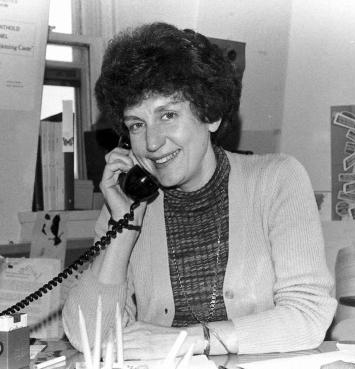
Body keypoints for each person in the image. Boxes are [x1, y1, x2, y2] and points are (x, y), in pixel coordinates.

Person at [62, 22, 337, 359]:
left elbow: (309, 316)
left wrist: (188, 341)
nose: (151, 142)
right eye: (137, 124)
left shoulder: (277, 179)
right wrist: (124, 228)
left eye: (168, 115)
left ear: (211, 115)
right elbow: (88, 336)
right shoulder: (126, 205)